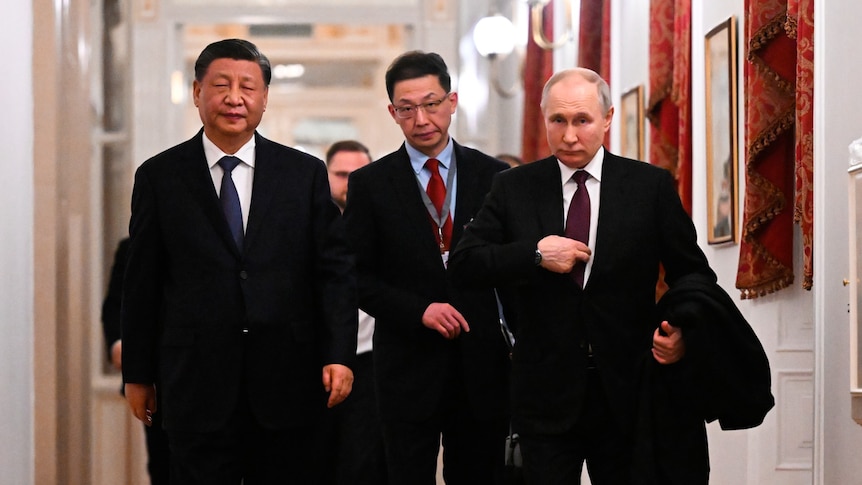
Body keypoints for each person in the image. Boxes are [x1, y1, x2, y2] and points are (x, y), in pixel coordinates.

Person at [449, 67, 771, 484]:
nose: (569, 136)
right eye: (558, 121)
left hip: (629, 392)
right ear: (544, 118)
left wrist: (683, 332)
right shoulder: (513, 187)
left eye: (582, 120)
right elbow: (464, 265)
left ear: (607, 118)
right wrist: (533, 254)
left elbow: (692, 273)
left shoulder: (648, 187)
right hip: (544, 395)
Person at [120, 38, 357, 485]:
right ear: (197, 92)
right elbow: (143, 282)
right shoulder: (160, 176)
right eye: (221, 85)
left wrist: (339, 353)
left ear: (264, 97)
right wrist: (138, 373)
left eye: (248, 87)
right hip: (195, 386)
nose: (234, 98)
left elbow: (334, 272)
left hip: (289, 381)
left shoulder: (302, 174)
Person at [343, 50, 511, 484]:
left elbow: (508, 266)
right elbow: (355, 276)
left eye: (431, 104)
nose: (421, 118)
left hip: (481, 365)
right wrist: (419, 310)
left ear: (452, 102)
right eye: (407, 108)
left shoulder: (494, 177)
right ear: (392, 112)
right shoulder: (370, 184)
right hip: (406, 366)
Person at [323, 140, 387, 485]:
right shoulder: (308, 224)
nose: (349, 182)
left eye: (357, 175)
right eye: (341, 174)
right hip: (317, 359)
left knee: (362, 464)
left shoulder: (386, 224)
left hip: (371, 361)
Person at [101, 237, 170, 485]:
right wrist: (121, 347)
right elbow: (115, 306)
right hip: (158, 381)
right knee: (163, 465)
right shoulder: (131, 248)